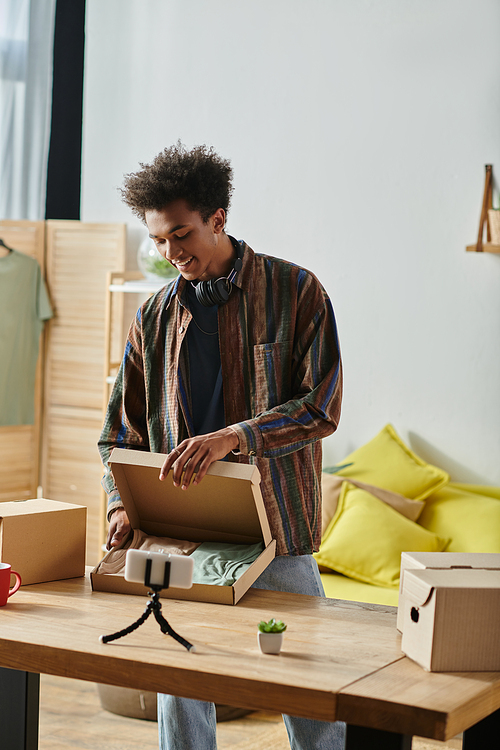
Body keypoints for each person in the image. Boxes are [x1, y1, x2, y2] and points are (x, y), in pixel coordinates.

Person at [98, 142, 344, 750]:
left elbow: (322, 405)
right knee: (180, 682)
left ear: (218, 219)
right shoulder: (150, 318)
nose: (170, 253)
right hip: (179, 529)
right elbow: (118, 435)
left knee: (307, 684)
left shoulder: (296, 292)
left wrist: (237, 436)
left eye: (181, 235)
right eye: (158, 240)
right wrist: (121, 505)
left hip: (277, 530)